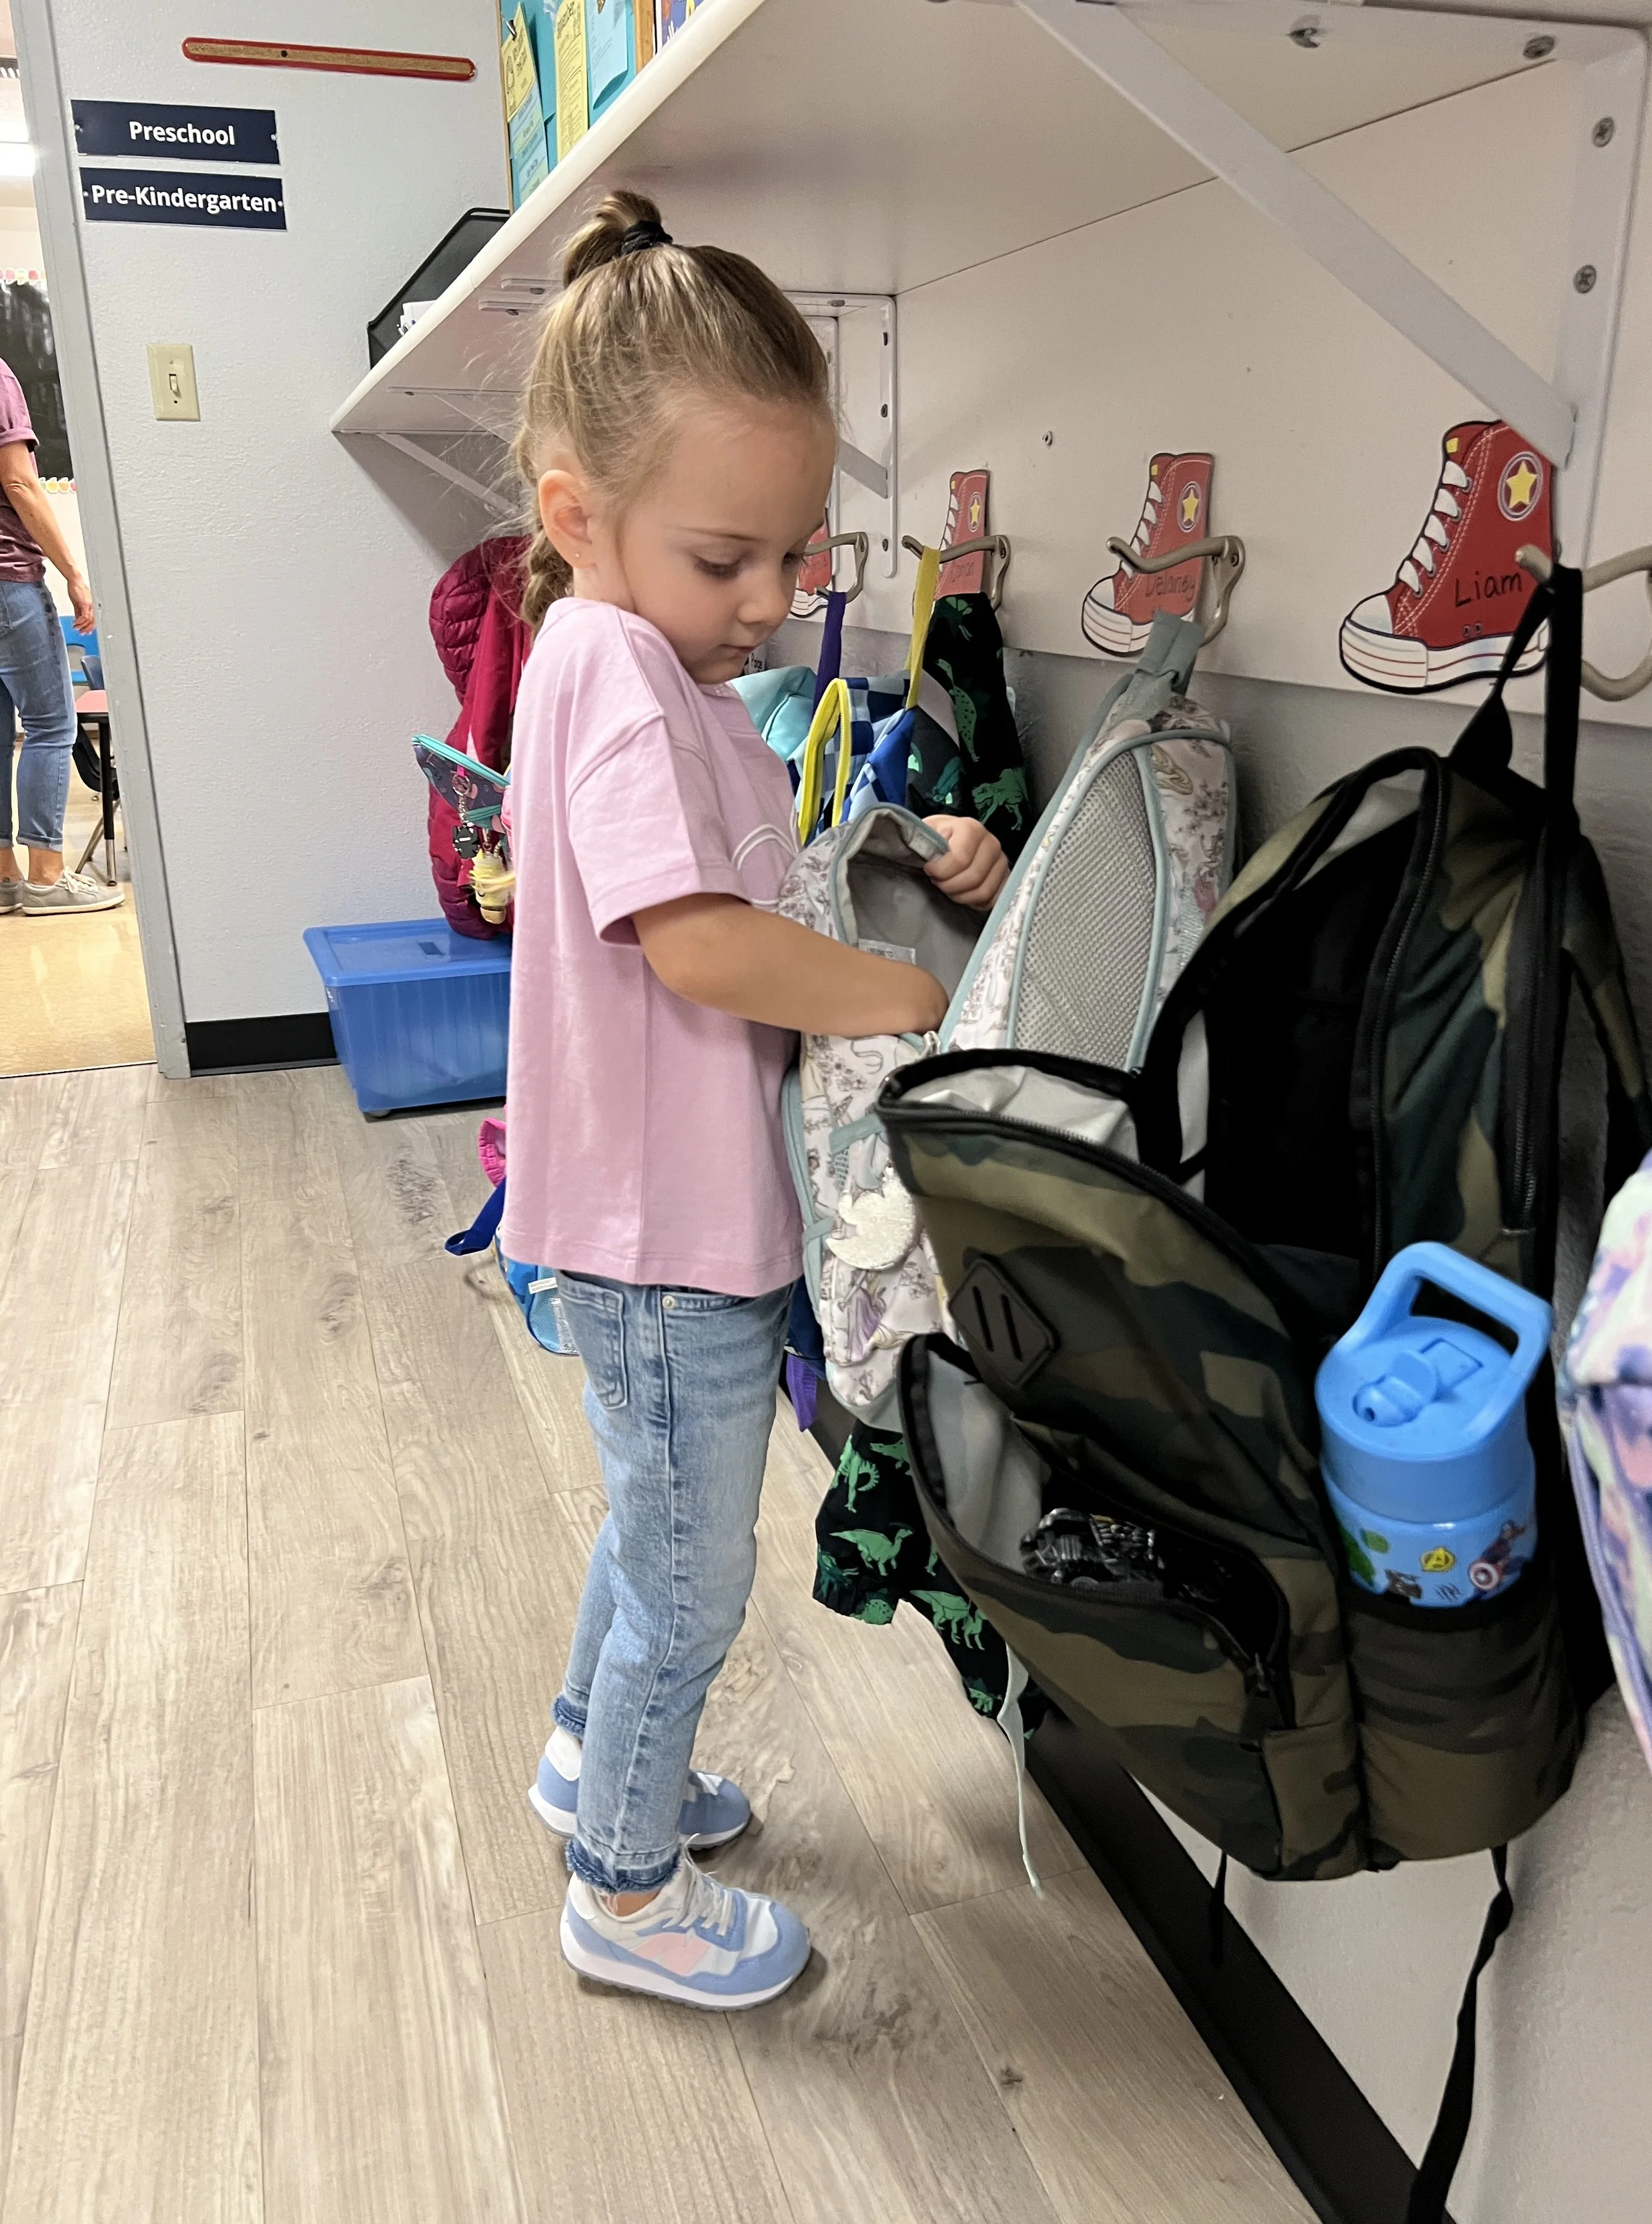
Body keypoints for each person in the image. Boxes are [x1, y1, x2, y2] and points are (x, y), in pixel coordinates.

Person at [504, 191, 1008, 2011]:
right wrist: (898, 988)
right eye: (728, 556)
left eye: (795, 552)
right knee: (695, 1582)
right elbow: (700, 943)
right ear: (576, 511)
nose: (774, 598)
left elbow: (746, 876)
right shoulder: (630, 679)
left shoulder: (610, 656)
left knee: (651, 1529)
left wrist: (890, 844)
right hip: (667, 1235)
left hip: (644, 1221)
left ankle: (587, 1757)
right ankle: (620, 1887)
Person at [0, 354, 119, 917]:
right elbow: (20, 481)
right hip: (7, 582)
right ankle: (48, 879)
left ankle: (5, 878)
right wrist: (74, 572)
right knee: (52, 724)